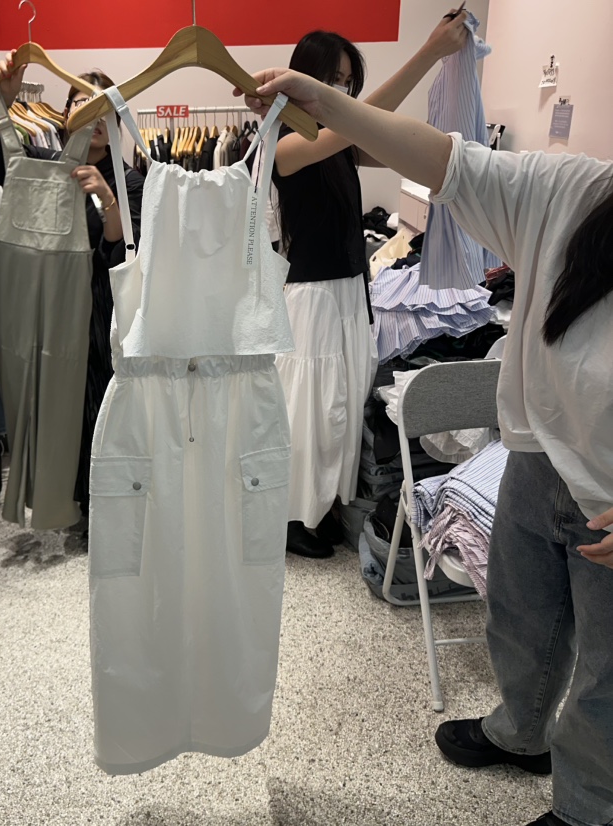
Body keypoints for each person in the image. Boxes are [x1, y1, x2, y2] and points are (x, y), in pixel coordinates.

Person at [238, 62, 613, 826]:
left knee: (607, 669)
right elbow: (444, 159)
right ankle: (520, 730)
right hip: (533, 450)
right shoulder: (576, 191)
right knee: (521, 613)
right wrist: (328, 100)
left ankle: (587, 806)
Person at [269, 14, 469, 558]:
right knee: (310, 409)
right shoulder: (285, 142)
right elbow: (357, 123)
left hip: (349, 290)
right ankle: (291, 515)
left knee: (341, 403)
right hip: (312, 295)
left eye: (346, 83)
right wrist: (428, 53)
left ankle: (322, 505)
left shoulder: (338, 145)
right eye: (331, 80)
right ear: (305, 77)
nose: (341, 92)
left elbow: (381, 134)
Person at [0, 53, 144, 525]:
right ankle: (67, 497)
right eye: (81, 103)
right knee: (54, 404)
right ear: (65, 114)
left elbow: (125, 247)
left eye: (102, 107)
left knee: (98, 402)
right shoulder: (44, 164)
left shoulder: (129, 179)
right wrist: (1, 101)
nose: (93, 115)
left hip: (102, 310)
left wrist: (106, 197)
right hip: (46, 306)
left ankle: (106, 501)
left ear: (115, 120)